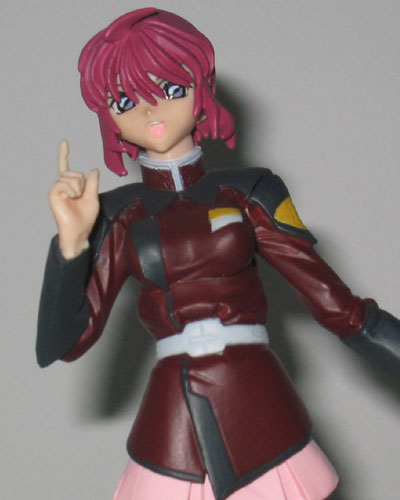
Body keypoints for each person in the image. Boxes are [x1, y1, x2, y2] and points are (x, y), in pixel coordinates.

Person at [36, 8, 400, 500]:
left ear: (200, 87)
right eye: (125, 100)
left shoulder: (250, 190)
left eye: (170, 88)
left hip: (256, 400)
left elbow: (339, 307)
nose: (150, 111)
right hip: (171, 417)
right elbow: (63, 343)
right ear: (110, 117)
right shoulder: (118, 214)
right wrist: (70, 246)